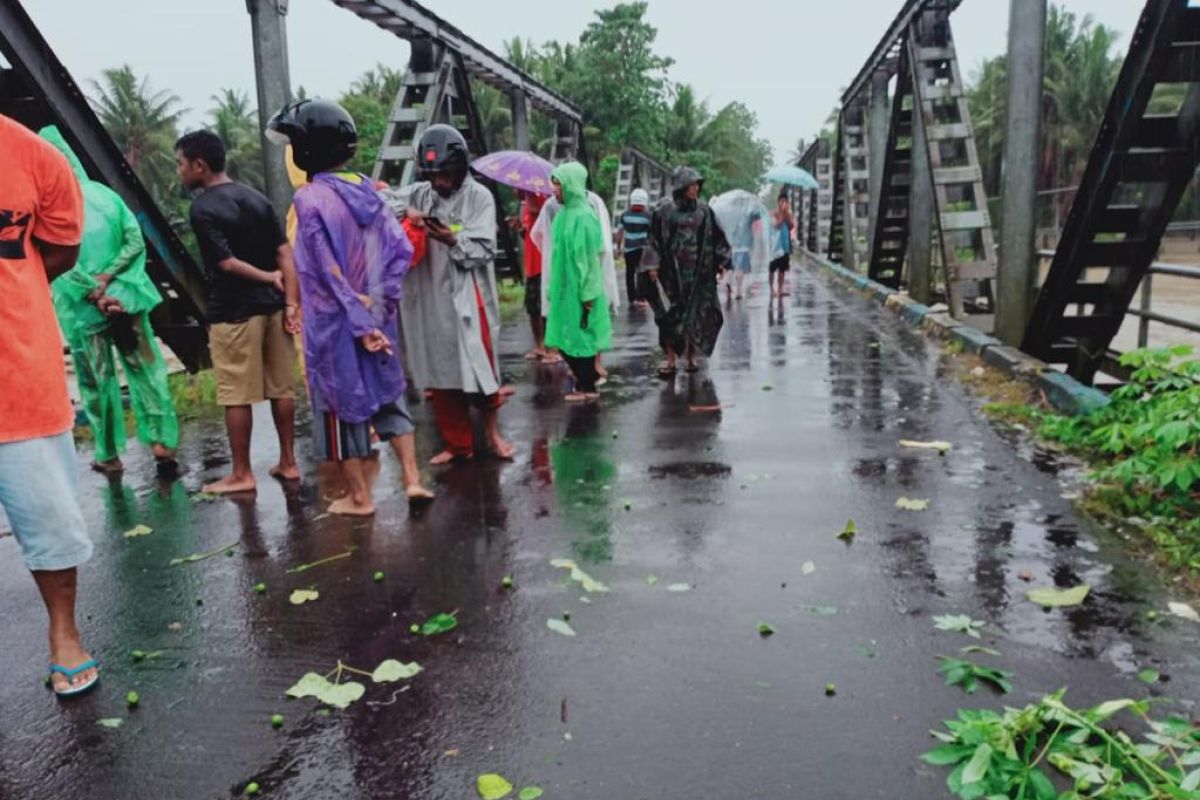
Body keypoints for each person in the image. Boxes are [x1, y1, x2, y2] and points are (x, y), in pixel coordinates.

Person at [267, 99, 433, 515]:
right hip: (378, 316)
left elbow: (325, 268)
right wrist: (379, 303)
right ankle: (413, 480)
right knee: (390, 397)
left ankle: (360, 499)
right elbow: (397, 248)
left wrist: (358, 319)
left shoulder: (310, 199)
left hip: (334, 324)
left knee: (341, 409)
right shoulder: (368, 190)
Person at [0, 112, 98, 698]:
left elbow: (58, 252)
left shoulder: (35, 155)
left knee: (49, 519)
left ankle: (64, 633)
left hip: (18, 374)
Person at [39, 126, 180, 476]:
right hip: (126, 299)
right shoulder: (105, 196)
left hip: (83, 313)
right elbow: (135, 242)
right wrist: (109, 280)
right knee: (147, 371)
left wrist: (92, 290)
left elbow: (53, 259)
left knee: (96, 382)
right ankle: (163, 445)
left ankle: (109, 454)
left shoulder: (50, 206)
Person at [177, 130, 301, 494]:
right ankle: (289, 463)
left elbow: (227, 264)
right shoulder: (257, 198)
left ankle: (242, 473)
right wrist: (291, 300)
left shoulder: (202, 209)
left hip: (233, 312)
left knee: (236, 394)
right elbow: (284, 254)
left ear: (200, 165)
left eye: (181, 164)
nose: (180, 172)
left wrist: (267, 278)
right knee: (282, 388)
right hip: (274, 309)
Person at [383, 124, 513, 465]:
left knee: (480, 368)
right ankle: (458, 444)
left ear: (459, 169)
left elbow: (484, 248)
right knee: (438, 367)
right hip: (429, 298)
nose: (439, 182)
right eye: (433, 175)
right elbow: (379, 202)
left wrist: (451, 239)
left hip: (469, 294)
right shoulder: (421, 193)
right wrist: (406, 213)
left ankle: (493, 434)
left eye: (445, 174)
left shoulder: (479, 197)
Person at [639, 166, 731, 376]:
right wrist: (652, 264)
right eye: (691, 185)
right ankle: (670, 359)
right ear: (681, 187)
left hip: (698, 275)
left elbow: (717, 238)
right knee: (668, 317)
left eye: (697, 184)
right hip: (671, 275)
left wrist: (722, 261)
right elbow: (653, 239)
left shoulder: (704, 212)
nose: (695, 188)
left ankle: (690, 357)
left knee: (695, 317)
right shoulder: (665, 212)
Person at [544, 162, 612, 403]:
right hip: (565, 288)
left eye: (559, 186)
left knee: (581, 336)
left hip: (581, 290)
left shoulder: (584, 217)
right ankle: (587, 380)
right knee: (564, 336)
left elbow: (590, 260)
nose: (555, 191)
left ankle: (587, 385)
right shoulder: (563, 216)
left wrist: (588, 294)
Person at [512, 190, 554, 362]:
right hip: (531, 264)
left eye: (516, 187)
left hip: (544, 262)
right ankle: (539, 345)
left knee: (545, 306)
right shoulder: (524, 208)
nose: (514, 191)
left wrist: (528, 195)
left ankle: (552, 346)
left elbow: (540, 211)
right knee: (532, 307)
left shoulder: (543, 200)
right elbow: (529, 234)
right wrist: (520, 229)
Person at [615, 188, 652, 308]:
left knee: (629, 273)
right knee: (642, 273)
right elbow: (652, 234)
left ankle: (632, 298)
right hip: (642, 249)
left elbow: (619, 232)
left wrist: (618, 247)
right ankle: (641, 298)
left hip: (629, 250)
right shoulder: (648, 216)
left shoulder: (625, 215)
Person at [770, 194, 795, 298]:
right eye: (782, 201)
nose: (783, 203)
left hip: (785, 246)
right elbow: (775, 226)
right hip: (775, 246)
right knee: (772, 268)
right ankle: (772, 290)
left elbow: (791, 226)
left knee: (782, 269)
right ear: (778, 202)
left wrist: (787, 216)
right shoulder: (774, 214)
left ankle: (780, 289)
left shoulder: (788, 215)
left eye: (785, 201)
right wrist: (781, 217)